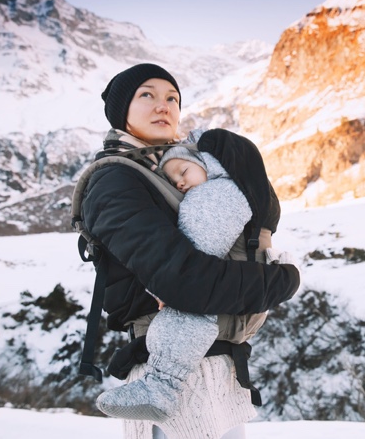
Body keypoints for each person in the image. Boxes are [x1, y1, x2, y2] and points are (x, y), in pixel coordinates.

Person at [80, 63, 300, 439]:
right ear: (122, 111)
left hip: (219, 369)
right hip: (168, 372)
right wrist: (278, 282)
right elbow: (186, 282)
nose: (163, 106)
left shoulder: (181, 168)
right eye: (146, 95)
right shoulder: (114, 180)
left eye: (172, 98)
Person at [95, 134, 258, 424]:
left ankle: (161, 387)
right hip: (220, 342)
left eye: (183, 172)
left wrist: (163, 284)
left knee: (186, 316)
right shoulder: (210, 193)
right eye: (174, 182)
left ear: (208, 163)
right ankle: (160, 387)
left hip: (207, 343)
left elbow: (193, 256)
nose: (180, 183)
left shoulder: (217, 195)